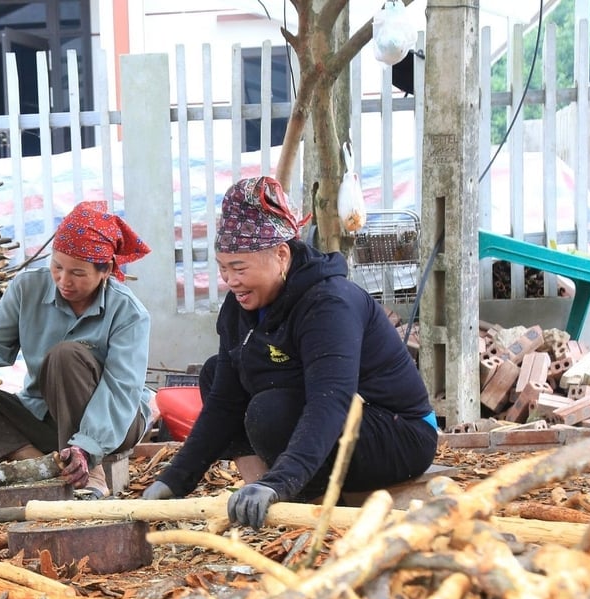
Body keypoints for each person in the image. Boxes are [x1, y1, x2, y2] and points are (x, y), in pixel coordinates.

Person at [144, 176, 438, 527]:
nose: (230, 280)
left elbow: (330, 402)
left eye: (239, 268)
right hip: (337, 427)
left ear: (281, 256)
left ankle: (303, 502)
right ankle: (258, 496)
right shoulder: (239, 308)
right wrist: (172, 481)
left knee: (270, 411)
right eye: (223, 268)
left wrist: (281, 482)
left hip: (399, 434)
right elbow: (223, 402)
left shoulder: (329, 303)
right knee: (215, 375)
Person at [0, 201, 153, 499]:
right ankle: (38, 465)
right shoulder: (27, 289)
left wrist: (88, 446)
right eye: (57, 267)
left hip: (113, 425)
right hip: (44, 420)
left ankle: (90, 469)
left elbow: (121, 389)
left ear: (106, 271)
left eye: (77, 273)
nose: (64, 280)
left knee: (65, 356)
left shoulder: (128, 313)